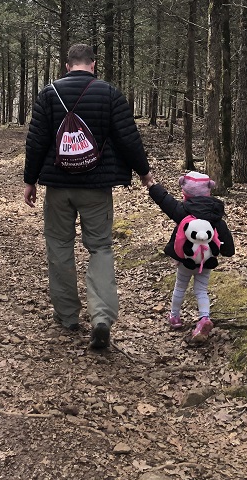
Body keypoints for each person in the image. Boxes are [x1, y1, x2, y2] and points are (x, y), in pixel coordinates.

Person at [23, 43, 153, 350]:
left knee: (59, 246)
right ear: (93, 65)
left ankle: (67, 315)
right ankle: (101, 318)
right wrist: (144, 172)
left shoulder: (49, 94)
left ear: (67, 66)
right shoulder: (110, 94)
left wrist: (30, 180)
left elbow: (36, 141)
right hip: (97, 186)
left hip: (58, 186)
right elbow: (128, 137)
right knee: (101, 248)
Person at [144, 171, 235, 344]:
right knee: (201, 289)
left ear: (185, 192)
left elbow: (164, 200)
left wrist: (152, 186)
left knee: (180, 287)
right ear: (208, 191)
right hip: (206, 260)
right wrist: (228, 251)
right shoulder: (215, 213)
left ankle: (174, 317)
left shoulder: (182, 210)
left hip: (185, 260)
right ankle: (204, 318)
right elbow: (226, 241)